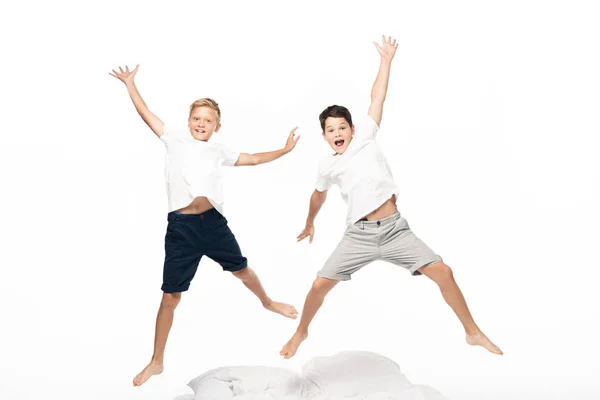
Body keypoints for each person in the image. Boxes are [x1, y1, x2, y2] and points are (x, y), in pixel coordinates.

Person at [279, 36, 503, 359]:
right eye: (331, 130)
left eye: (342, 127)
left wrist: (385, 62)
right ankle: (301, 332)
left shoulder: (366, 137)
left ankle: (472, 332)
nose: (338, 134)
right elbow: (317, 196)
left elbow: (377, 98)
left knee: (444, 272)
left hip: (395, 230)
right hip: (359, 235)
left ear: (353, 129)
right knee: (318, 286)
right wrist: (309, 222)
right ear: (324, 136)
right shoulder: (327, 165)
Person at [110, 65, 300, 386]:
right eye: (196, 118)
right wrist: (131, 84)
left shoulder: (218, 149)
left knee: (242, 270)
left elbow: (251, 158)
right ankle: (157, 360)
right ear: (188, 122)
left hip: (213, 225)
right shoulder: (175, 139)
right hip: (182, 229)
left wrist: (284, 150)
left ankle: (267, 302)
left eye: (208, 120)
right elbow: (147, 113)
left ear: (217, 126)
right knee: (170, 297)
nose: (201, 124)